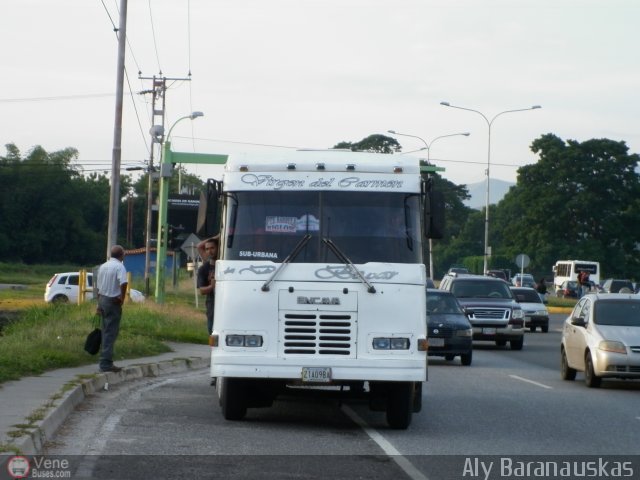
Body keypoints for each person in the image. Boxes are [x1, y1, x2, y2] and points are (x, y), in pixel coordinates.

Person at [96, 245, 128, 373]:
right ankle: (105, 363)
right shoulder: (120, 266)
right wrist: (122, 298)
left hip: (103, 300)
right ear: (122, 255)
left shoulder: (103, 266)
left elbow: (98, 287)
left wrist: (98, 305)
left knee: (105, 330)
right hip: (113, 302)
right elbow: (124, 283)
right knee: (111, 332)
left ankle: (104, 359)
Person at [197, 235, 219, 335]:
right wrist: (211, 286)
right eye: (207, 249)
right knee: (212, 332)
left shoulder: (227, 263)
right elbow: (201, 290)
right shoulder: (204, 269)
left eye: (212, 248)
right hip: (212, 305)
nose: (210, 251)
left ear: (218, 248)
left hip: (228, 301)